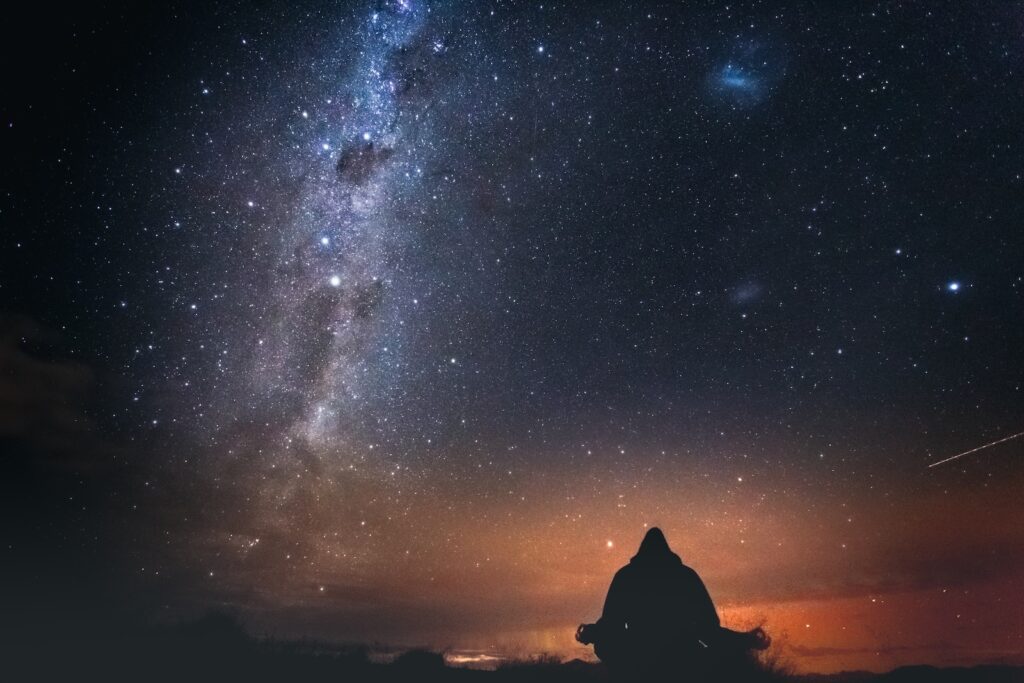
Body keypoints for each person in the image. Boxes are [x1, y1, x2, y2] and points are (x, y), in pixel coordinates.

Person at [576, 527, 768, 679]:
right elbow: (708, 628)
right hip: (683, 662)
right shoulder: (686, 576)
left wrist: (592, 632)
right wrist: (745, 639)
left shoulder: (626, 576)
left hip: (637, 662)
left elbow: (612, 624)